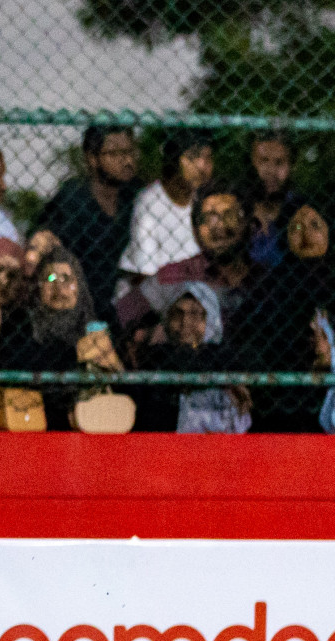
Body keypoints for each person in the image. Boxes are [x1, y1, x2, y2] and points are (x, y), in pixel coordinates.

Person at [0, 245, 124, 426]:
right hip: (38, 418)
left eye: (66, 278)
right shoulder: (20, 321)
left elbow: (127, 379)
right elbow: (16, 366)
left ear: (78, 284)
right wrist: (76, 356)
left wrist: (112, 364)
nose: (59, 288)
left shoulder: (99, 320)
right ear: (38, 285)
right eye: (50, 278)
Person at [119, 181, 260, 339]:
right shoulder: (175, 275)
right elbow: (122, 316)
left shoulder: (266, 278)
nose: (219, 225)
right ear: (195, 230)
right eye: (209, 218)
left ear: (248, 225)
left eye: (230, 216)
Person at [241, 201, 332, 431]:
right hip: (282, 392)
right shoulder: (274, 281)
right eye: (296, 228)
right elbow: (254, 330)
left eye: (314, 225)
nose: (306, 234)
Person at [33, 126, 139, 323]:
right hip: (78, 306)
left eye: (129, 152)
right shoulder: (73, 198)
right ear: (92, 159)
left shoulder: (136, 195)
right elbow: (44, 238)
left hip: (125, 306)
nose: (126, 161)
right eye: (114, 154)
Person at [135, 282, 251, 433]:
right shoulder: (155, 355)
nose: (185, 323)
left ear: (210, 318)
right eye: (178, 313)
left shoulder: (226, 356)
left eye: (195, 314)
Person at [118, 130, 213, 281]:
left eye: (208, 158)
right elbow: (144, 274)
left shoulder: (205, 199)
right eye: (193, 157)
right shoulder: (150, 201)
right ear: (174, 160)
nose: (202, 166)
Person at [244, 131, 302, 269]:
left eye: (279, 162)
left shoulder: (302, 209)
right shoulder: (239, 207)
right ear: (252, 162)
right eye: (264, 161)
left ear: (292, 166)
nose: (270, 170)